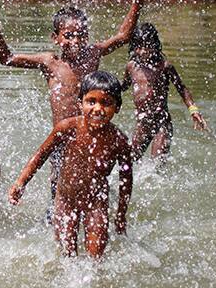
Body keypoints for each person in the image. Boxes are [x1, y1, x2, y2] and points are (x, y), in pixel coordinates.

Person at [0, 0, 148, 209]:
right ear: (56, 38)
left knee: (96, 185)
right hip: (62, 140)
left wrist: (136, 2)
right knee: (59, 190)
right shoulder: (50, 63)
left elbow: (123, 37)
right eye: (68, 36)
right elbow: (6, 58)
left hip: (92, 135)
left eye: (81, 35)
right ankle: (56, 222)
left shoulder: (93, 54)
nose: (76, 41)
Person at [8, 71, 133, 260]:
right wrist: (20, 183)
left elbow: (126, 178)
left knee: (96, 258)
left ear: (117, 107)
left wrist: (121, 214)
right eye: (91, 101)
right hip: (66, 200)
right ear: (80, 102)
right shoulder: (67, 127)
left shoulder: (119, 141)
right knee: (67, 256)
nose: (98, 109)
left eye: (106, 103)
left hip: (96, 203)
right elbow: (41, 155)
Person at [122, 23, 207, 161]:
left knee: (157, 165)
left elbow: (182, 89)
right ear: (133, 47)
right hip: (142, 124)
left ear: (155, 45)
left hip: (162, 124)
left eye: (147, 46)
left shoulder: (164, 66)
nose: (143, 51)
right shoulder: (131, 67)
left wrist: (193, 110)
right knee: (129, 162)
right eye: (139, 47)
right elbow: (123, 87)